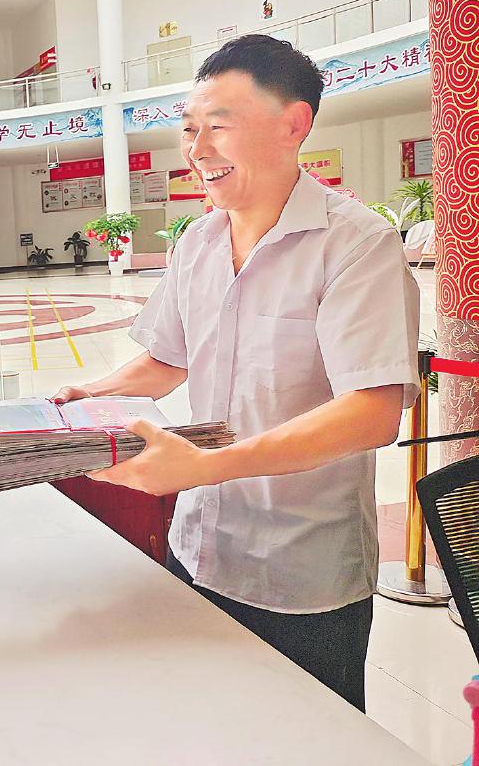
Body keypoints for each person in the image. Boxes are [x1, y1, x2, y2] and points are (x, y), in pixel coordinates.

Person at [54, 35, 419, 711]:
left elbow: (371, 411)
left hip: (303, 577)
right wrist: (89, 392)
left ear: (293, 125)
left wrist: (206, 466)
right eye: (190, 129)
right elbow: (167, 360)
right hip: (197, 549)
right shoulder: (197, 242)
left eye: (218, 126)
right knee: (200, 724)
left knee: (309, 742)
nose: (197, 150)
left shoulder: (355, 243)